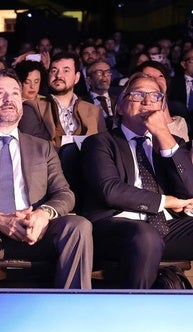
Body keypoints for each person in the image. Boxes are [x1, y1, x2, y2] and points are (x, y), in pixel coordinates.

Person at [0, 68, 93, 289]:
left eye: (15, 93)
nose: (9, 99)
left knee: (78, 225)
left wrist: (44, 214)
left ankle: (73, 312)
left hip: (37, 231)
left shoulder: (42, 147)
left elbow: (64, 193)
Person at [80, 72, 193, 289]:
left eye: (155, 96)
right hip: (115, 227)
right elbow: (111, 190)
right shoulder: (100, 143)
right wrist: (166, 201)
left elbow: (188, 188)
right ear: (120, 107)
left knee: (150, 237)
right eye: (138, 94)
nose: (147, 101)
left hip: (165, 228)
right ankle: (134, 313)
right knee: (145, 236)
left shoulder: (170, 142)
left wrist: (162, 133)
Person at [19, 51, 106, 148]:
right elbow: (32, 146)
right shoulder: (32, 107)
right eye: (54, 71)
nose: (59, 75)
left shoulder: (94, 111)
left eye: (66, 70)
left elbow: (103, 147)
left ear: (76, 78)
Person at [136, 60, 191, 141]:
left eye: (161, 76)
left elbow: (180, 151)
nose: (156, 80)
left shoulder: (180, 121)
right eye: (148, 76)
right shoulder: (134, 117)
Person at [81, 59, 117, 130]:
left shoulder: (119, 99)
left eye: (107, 72)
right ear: (89, 80)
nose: (104, 75)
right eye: (99, 72)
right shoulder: (82, 102)